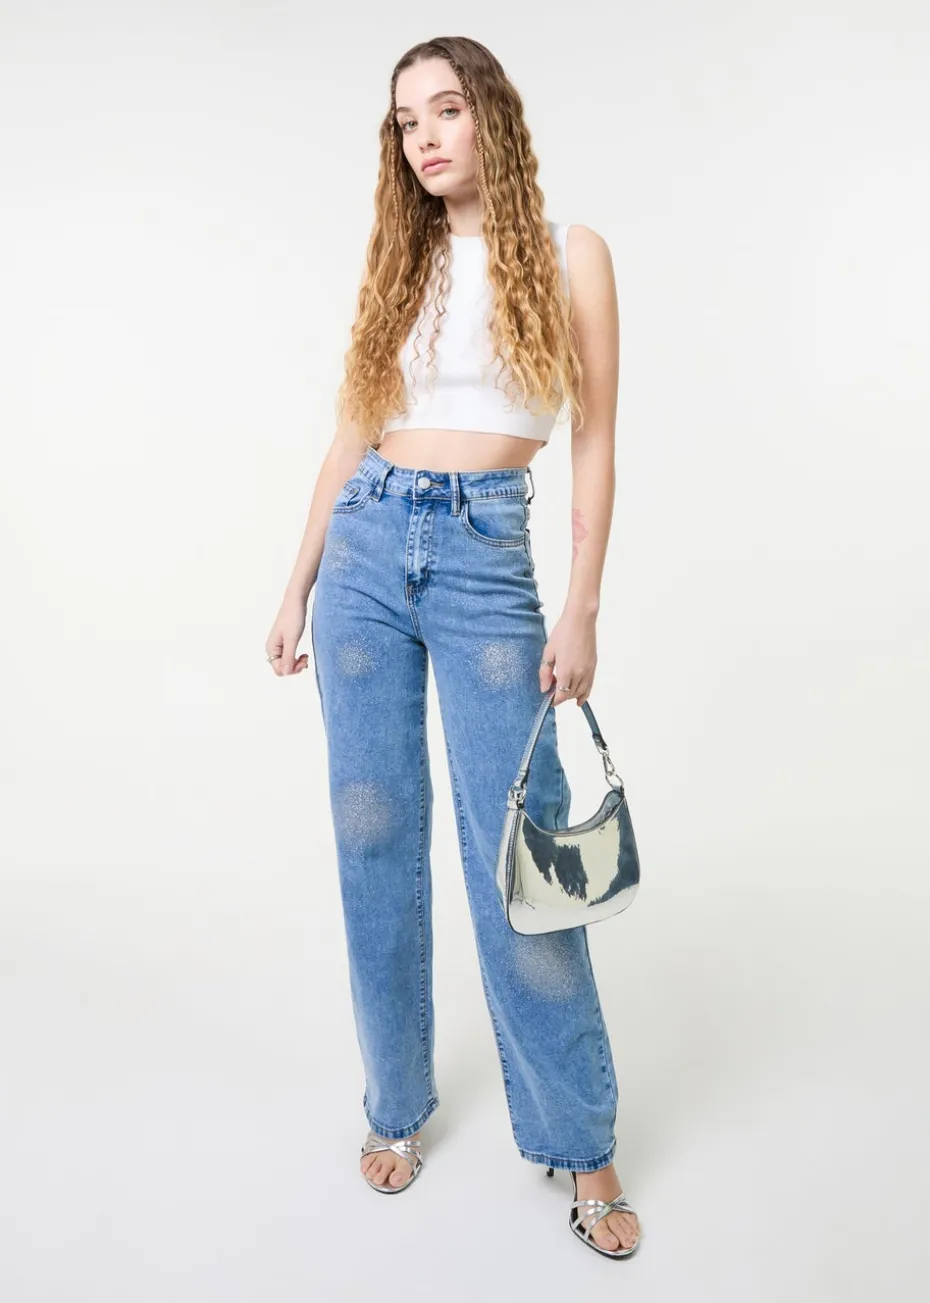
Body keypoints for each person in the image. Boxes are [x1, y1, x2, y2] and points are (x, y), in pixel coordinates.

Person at [264, 36, 641, 1259]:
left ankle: (581, 1138)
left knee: (515, 855)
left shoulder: (572, 252)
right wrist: (297, 579)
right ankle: (395, 1103)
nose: (424, 136)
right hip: (367, 549)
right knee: (373, 836)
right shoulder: (404, 256)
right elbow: (352, 430)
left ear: (493, 116)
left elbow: (595, 438)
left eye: (445, 109)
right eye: (405, 121)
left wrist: (582, 604)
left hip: (487, 559)